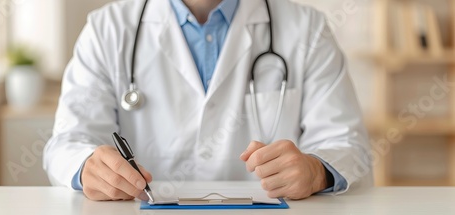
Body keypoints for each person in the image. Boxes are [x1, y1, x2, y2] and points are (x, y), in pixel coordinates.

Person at [43, 0, 373, 201]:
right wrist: (88, 167)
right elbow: (69, 142)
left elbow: (347, 144)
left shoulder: (307, 29)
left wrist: (316, 171)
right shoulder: (107, 29)